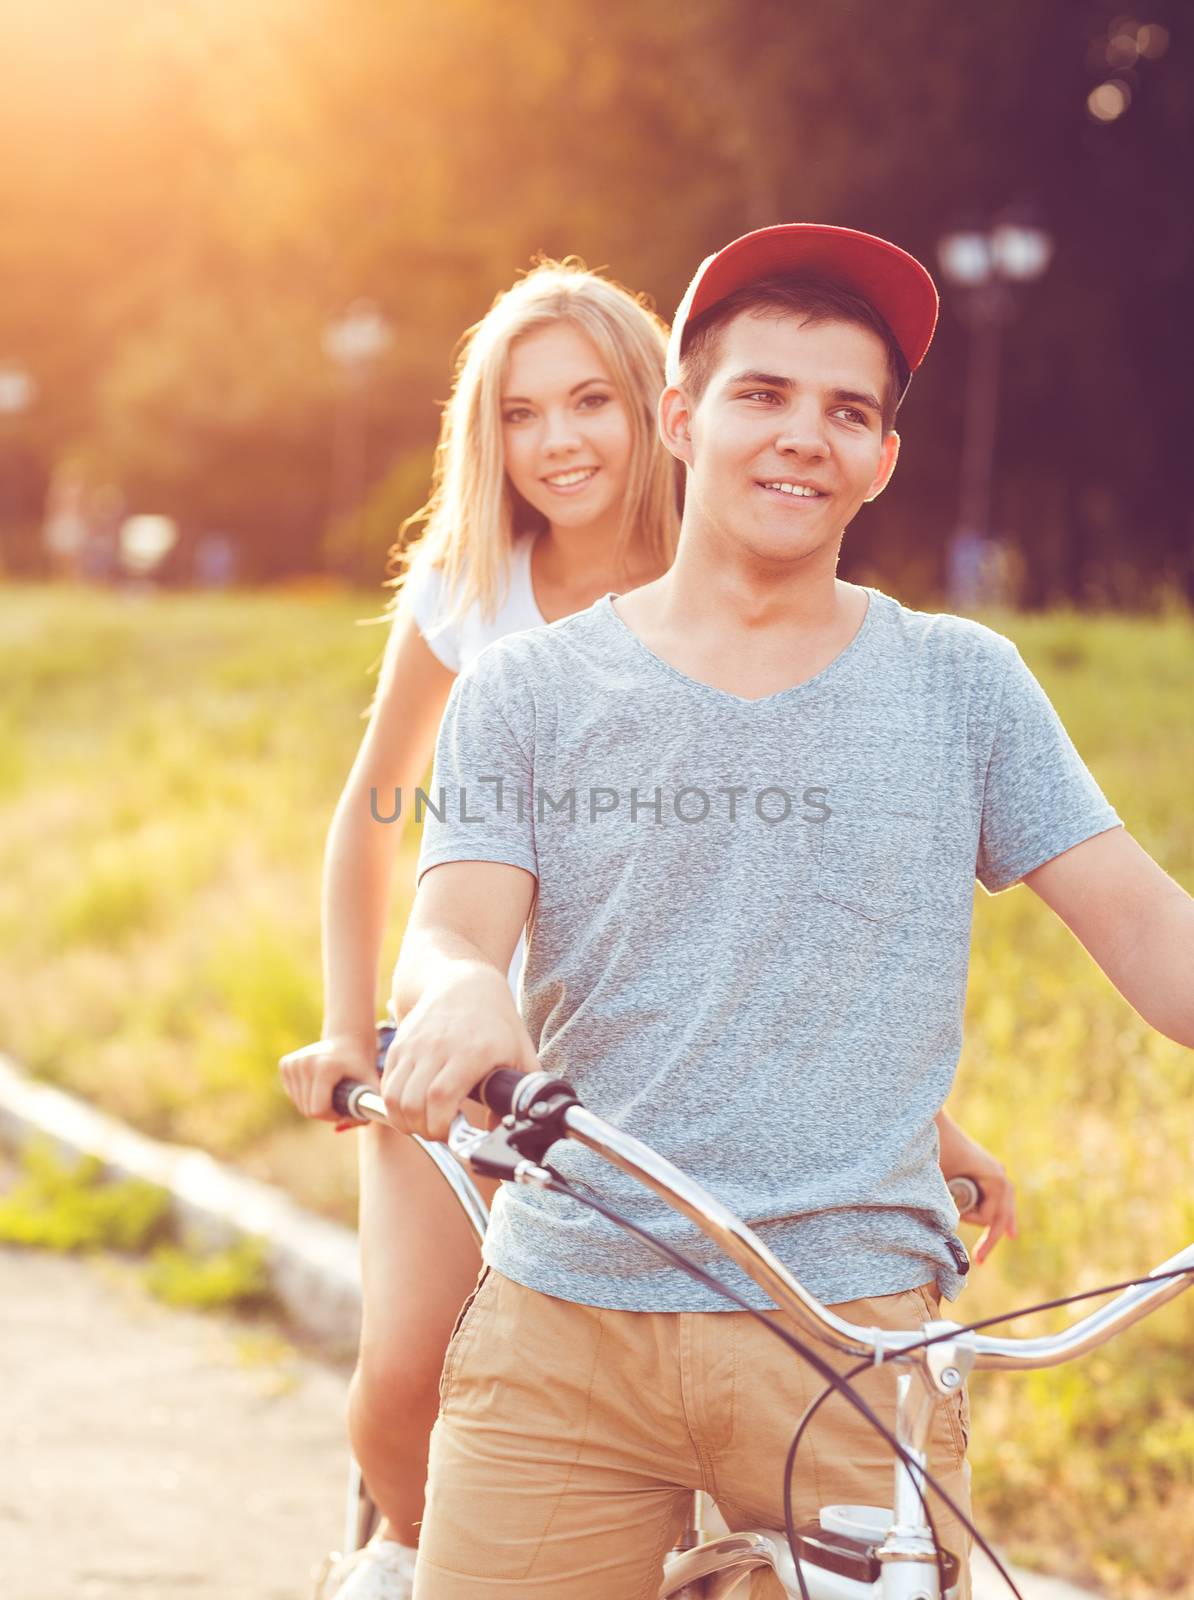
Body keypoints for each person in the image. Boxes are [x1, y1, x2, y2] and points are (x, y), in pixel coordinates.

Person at [380, 224, 1194, 1600]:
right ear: (681, 420)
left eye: (847, 411)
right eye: (761, 395)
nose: (800, 438)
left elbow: (1149, 931)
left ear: (881, 459)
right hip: (564, 1320)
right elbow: (454, 927)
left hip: (850, 1342)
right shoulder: (530, 694)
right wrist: (460, 989)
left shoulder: (964, 687)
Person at [280, 252, 1015, 1600]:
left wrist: (915, 1122)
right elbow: (371, 817)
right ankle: (397, 1560)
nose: (556, 441)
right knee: (405, 1388)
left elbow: (779, 923)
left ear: (653, 409)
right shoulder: (473, 598)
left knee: (674, 1419)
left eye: (586, 403)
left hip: (649, 1076)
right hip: (472, 1057)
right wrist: (351, 1029)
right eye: (517, 413)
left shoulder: (753, 592)